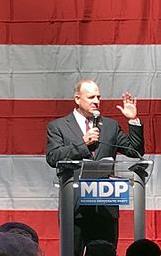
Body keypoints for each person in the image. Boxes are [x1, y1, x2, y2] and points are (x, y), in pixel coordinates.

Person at [46, 79, 144, 256]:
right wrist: (83, 143)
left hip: (105, 207)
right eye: (91, 97)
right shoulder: (58, 127)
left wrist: (133, 120)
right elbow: (53, 157)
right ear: (77, 99)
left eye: (98, 97)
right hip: (75, 208)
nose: (96, 101)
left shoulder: (110, 126)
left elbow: (135, 151)